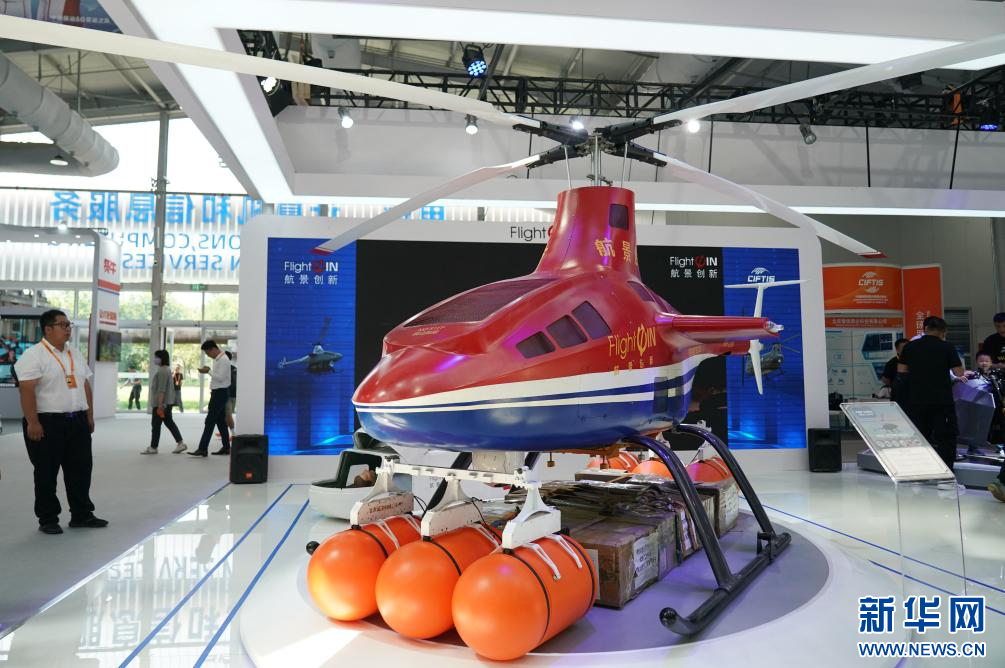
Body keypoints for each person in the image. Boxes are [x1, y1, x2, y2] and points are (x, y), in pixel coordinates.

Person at [13, 309, 107, 534]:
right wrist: (33, 422)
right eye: (62, 325)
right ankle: (48, 519)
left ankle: (82, 514)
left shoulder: (74, 353)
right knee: (46, 472)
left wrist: (89, 415)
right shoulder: (34, 355)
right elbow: (26, 390)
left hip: (77, 421)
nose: (68, 329)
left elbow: (84, 384)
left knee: (81, 470)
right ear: (48, 329)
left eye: (68, 325)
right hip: (47, 423)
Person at [898, 316, 966, 477]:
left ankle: (919, 473)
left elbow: (901, 370)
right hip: (942, 401)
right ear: (943, 332)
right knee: (945, 438)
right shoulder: (947, 347)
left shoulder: (910, 347)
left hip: (916, 400)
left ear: (925, 329)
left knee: (920, 437)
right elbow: (959, 372)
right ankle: (945, 476)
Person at [141, 350, 188, 455]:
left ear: (161, 358)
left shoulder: (162, 371)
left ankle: (153, 447)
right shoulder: (166, 369)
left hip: (162, 404)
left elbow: (161, 389)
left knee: (156, 425)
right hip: (166, 403)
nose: (154, 359)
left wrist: (160, 405)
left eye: (156, 357)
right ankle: (181, 443)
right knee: (169, 423)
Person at [190, 340, 231, 457]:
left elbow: (220, 378)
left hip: (220, 393)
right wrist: (209, 371)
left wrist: (208, 371)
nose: (208, 355)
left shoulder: (223, 360)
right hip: (218, 392)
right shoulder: (218, 359)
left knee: (210, 421)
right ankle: (226, 447)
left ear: (213, 349)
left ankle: (202, 448)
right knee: (220, 421)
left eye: (208, 353)